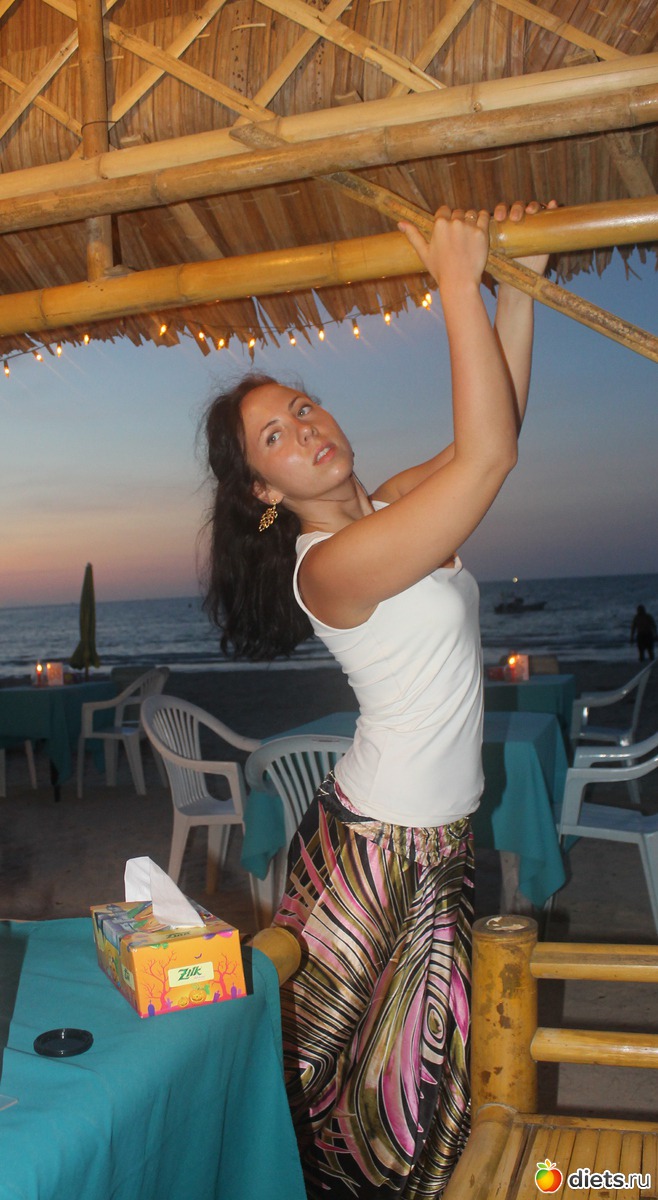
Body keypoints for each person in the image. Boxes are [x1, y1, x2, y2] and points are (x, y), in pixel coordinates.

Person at [202, 199, 554, 1199]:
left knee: (415, 1095)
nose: (305, 430)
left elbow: (496, 433)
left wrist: (519, 294)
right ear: (264, 491)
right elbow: (489, 458)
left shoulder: (395, 504)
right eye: (275, 436)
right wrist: (455, 283)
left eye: (304, 407)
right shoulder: (330, 565)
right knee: (354, 1099)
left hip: (436, 842)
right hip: (373, 850)